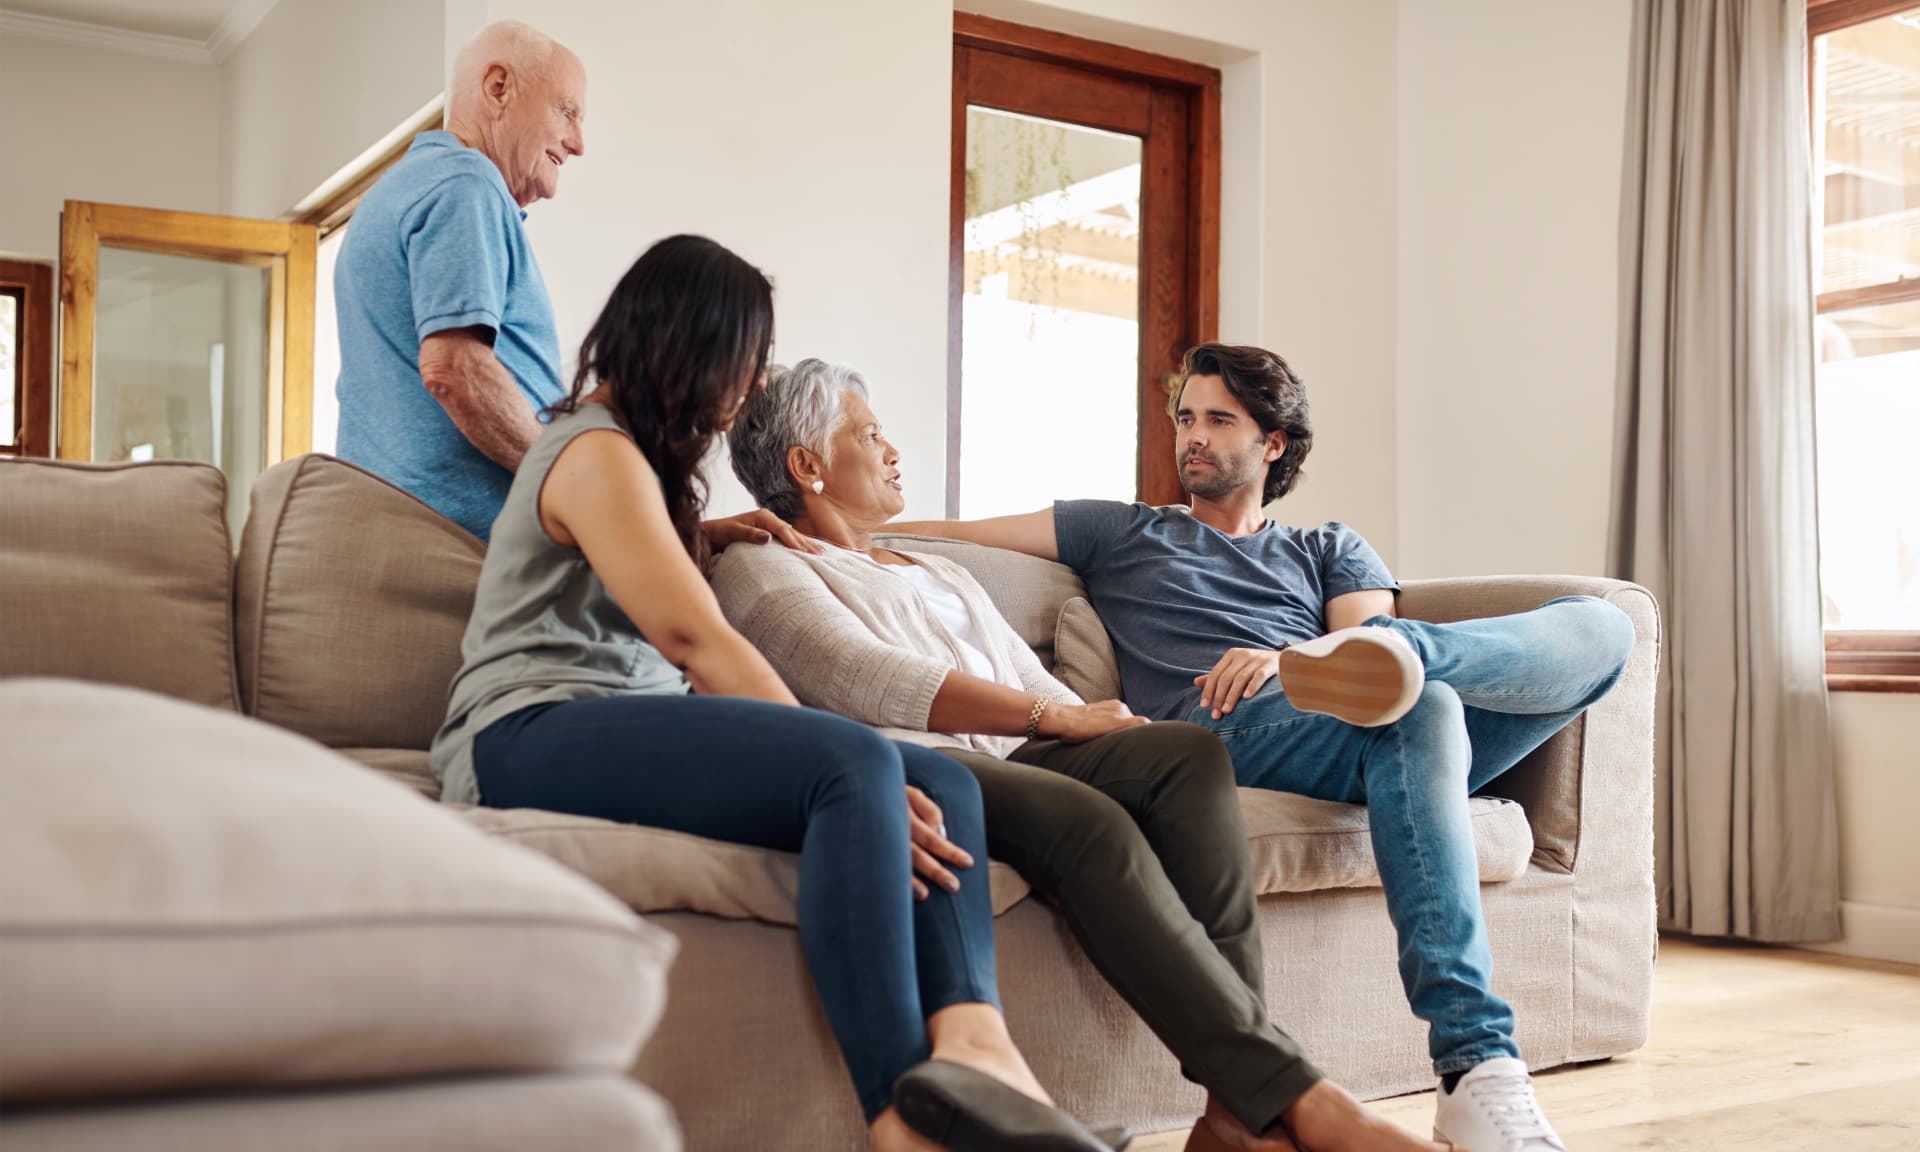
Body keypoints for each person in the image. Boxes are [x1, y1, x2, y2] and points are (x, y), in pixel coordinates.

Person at [429, 235, 1118, 1152]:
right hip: (526, 729)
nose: (748, 388)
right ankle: (900, 1122)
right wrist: (853, 769)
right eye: (747, 362)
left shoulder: (628, 464)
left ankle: (980, 1057)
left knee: (947, 786)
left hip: (616, 718)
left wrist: (708, 530)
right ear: (694, 343)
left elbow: (626, 573)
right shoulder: (595, 454)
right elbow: (694, 638)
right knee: (856, 763)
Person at [890, 343, 1639, 1152]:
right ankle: (1478, 1065)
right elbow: (941, 536)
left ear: (1273, 444)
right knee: (1425, 702)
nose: (1193, 438)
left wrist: (1295, 658)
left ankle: (1473, 1079)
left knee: (1601, 628)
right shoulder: (1119, 530)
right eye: (1185, 419)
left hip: (1348, 721)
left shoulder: (1330, 550)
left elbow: (1369, 669)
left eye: (1219, 419)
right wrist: (795, 519)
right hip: (1218, 727)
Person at [713, 359, 1455, 1152]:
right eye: (869, 434)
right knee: (1092, 821)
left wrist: (1094, 722)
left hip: (1025, 752)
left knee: (1185, 756)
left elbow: (1028, 675)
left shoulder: (937, 568)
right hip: (926, 768)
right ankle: (1290, 1094)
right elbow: (869, 677)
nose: (893, 449)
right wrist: (1053, 714)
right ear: (807, 466)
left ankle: (1234, 1113)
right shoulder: (762, 566)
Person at [333, 21, 584, 540]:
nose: (578, 143)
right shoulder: (465, 183)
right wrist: (580, 497)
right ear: (499, 88)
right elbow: (455, 370)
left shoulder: (407, 187)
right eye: (567, 111)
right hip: (455, 551)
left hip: (410, 535)